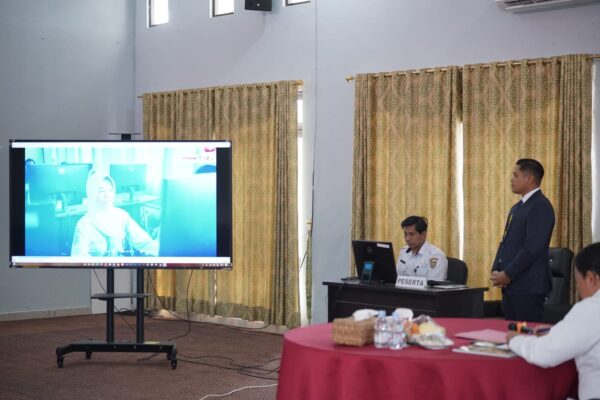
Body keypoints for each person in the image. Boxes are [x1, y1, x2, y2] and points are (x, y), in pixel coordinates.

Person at [506, 243, 600, 400]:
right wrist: (558, 332)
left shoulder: (592, 308)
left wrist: (514, 340)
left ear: (591, 279)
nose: (579, 290)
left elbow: (543, 354)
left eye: (578, 283)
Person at [491, 159, 555, 322]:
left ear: (529, 178)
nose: (511, 179)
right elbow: (505, 242)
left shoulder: (540, 206)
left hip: (528, 286)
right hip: (512, 286)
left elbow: (533, 247)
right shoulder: (517, 207)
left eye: (515, 175)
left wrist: (508, 274)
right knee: (512, 333)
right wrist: (497, 268)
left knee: (527, 333)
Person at [71, 170, 158, 257]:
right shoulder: (84, 224)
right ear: (92, 193)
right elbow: (79, 258)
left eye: (110, 190)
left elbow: (144, 242)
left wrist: (160, 252)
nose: (107, 195)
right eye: (101, 191)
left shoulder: (121, 216)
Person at [396, 216, 448, 281]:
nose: (407, 238)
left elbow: (432, 285)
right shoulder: (403, 251)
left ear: (423, 234)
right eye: (405, 234)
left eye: (412, 234)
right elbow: (396, 278)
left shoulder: (436, 256)